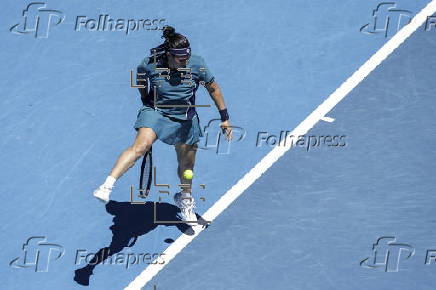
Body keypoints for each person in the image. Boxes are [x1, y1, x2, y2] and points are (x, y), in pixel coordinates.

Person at [93, 25, 232, 226]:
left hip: (185, 120)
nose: (184, 61)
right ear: (169, 55)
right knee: (140, 147)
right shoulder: (149, 64)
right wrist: (145, 98)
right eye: (179, 59)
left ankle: (185, 198)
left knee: (187, 167)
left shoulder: (197, 65)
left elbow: (214, 89)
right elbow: (141, 79)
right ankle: (107, 186)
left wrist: (224, 118)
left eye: (186, 57)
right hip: (156, 113)